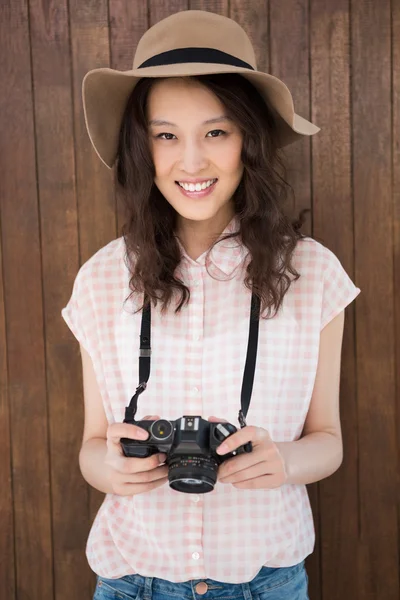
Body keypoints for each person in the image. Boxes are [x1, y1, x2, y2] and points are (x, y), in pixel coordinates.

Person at [61, 10, 361, 600]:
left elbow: (328, 441)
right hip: (131, 581)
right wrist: (113, 469)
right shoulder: (100, 278)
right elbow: (91, 447)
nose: (191, 162)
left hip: (266, 584)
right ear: (141, 146)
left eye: (217, 133)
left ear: (248, 138)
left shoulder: (314, 274)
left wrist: (285, 463)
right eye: (166, 134)